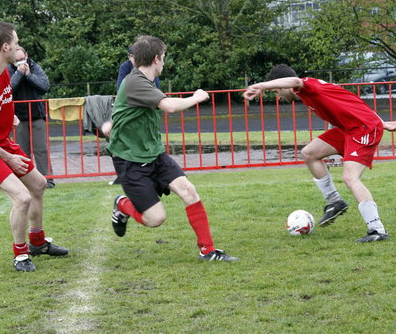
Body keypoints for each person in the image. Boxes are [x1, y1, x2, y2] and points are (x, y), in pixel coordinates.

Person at [103, 35, 238, 262]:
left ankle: (208, 250)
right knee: (155, 219)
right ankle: (122, 204)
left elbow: (127, 111)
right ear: (156, 59)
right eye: (164, 57)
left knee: (189, 191)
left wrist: (114, 123)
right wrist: (196, 97)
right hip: (131, 161)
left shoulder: (146, 82)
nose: (164, 62)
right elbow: (169, 107)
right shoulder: (134, 81)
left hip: (154, 154)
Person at [243, 63, 395, 243]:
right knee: (309, 153)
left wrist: (261, 85)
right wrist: (382, 121)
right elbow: (351, 100)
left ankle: (377, 230)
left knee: (350, 178)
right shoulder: (310, 90)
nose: (277, 96)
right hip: (349, 129)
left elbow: (296, 80)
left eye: (277, 91)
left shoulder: (307, 85)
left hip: (363, 130)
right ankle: (335, 202)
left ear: (284, 86)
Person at [0, 22, 68, 272]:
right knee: (22, 197)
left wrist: (10, 118)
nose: (19, 48)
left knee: (39, 184)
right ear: (5, 47)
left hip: (0, 141)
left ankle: (38, 243)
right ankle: (20, 255)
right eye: (16, 44)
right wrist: (9, 157)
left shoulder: (2, 71)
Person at [8, 47, 55, 189]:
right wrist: (19, 74)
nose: (20, 63)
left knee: (41, 149)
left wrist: (28, 75)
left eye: (22, 59)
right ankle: (27, 181)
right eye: (16, 61)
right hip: (18, 117)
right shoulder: (8, 69)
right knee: (22, 152)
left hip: (36, 115)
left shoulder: (35, 67)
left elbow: (45, 86)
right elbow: (8, 88)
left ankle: (47, 180)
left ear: (27, 56)